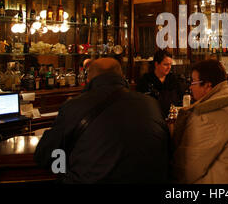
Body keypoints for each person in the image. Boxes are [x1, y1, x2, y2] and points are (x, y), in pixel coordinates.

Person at [34, 58, 170, 183]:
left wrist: (65, 165)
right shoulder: (151, 103)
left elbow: (45, 155)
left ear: (88, 78)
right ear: (122, 76)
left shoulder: (74, 106)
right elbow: (166, 147)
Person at [171, 59, 228, 184]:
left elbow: (187, 170)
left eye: (193, 82)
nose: (190, 87)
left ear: (207, 85)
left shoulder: (208, 116)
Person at [136, 49, 185, 119]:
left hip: (171, 118)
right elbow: (140, 103)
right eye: (166, 64)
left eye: (170, 64)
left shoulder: (173, 79)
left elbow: (180, 98)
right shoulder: (146, 80)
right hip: (152, 118)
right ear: (156, 64)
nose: (169, 67)